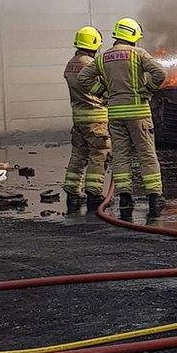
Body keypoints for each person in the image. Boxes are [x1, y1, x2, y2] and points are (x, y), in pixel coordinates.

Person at [78, 17, 167, 220]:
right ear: (133, 35)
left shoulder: (103, 58)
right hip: (138, 114)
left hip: (115, 115)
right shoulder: (138, 54)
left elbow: (83, 78)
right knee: (146, 154)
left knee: (120, 155)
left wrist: (103, 93)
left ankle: (125, 197)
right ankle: (154, 197)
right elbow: (160, 73)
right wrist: (147, 90)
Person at [62, 26, 110, 214]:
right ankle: (94, 194)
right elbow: (106, 86)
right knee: (99, 154)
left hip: (78, 118)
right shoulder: (93, 65)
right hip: (96, 118)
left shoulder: (70, 64)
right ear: (94, 43)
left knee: (78, 154)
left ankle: (72, 192)